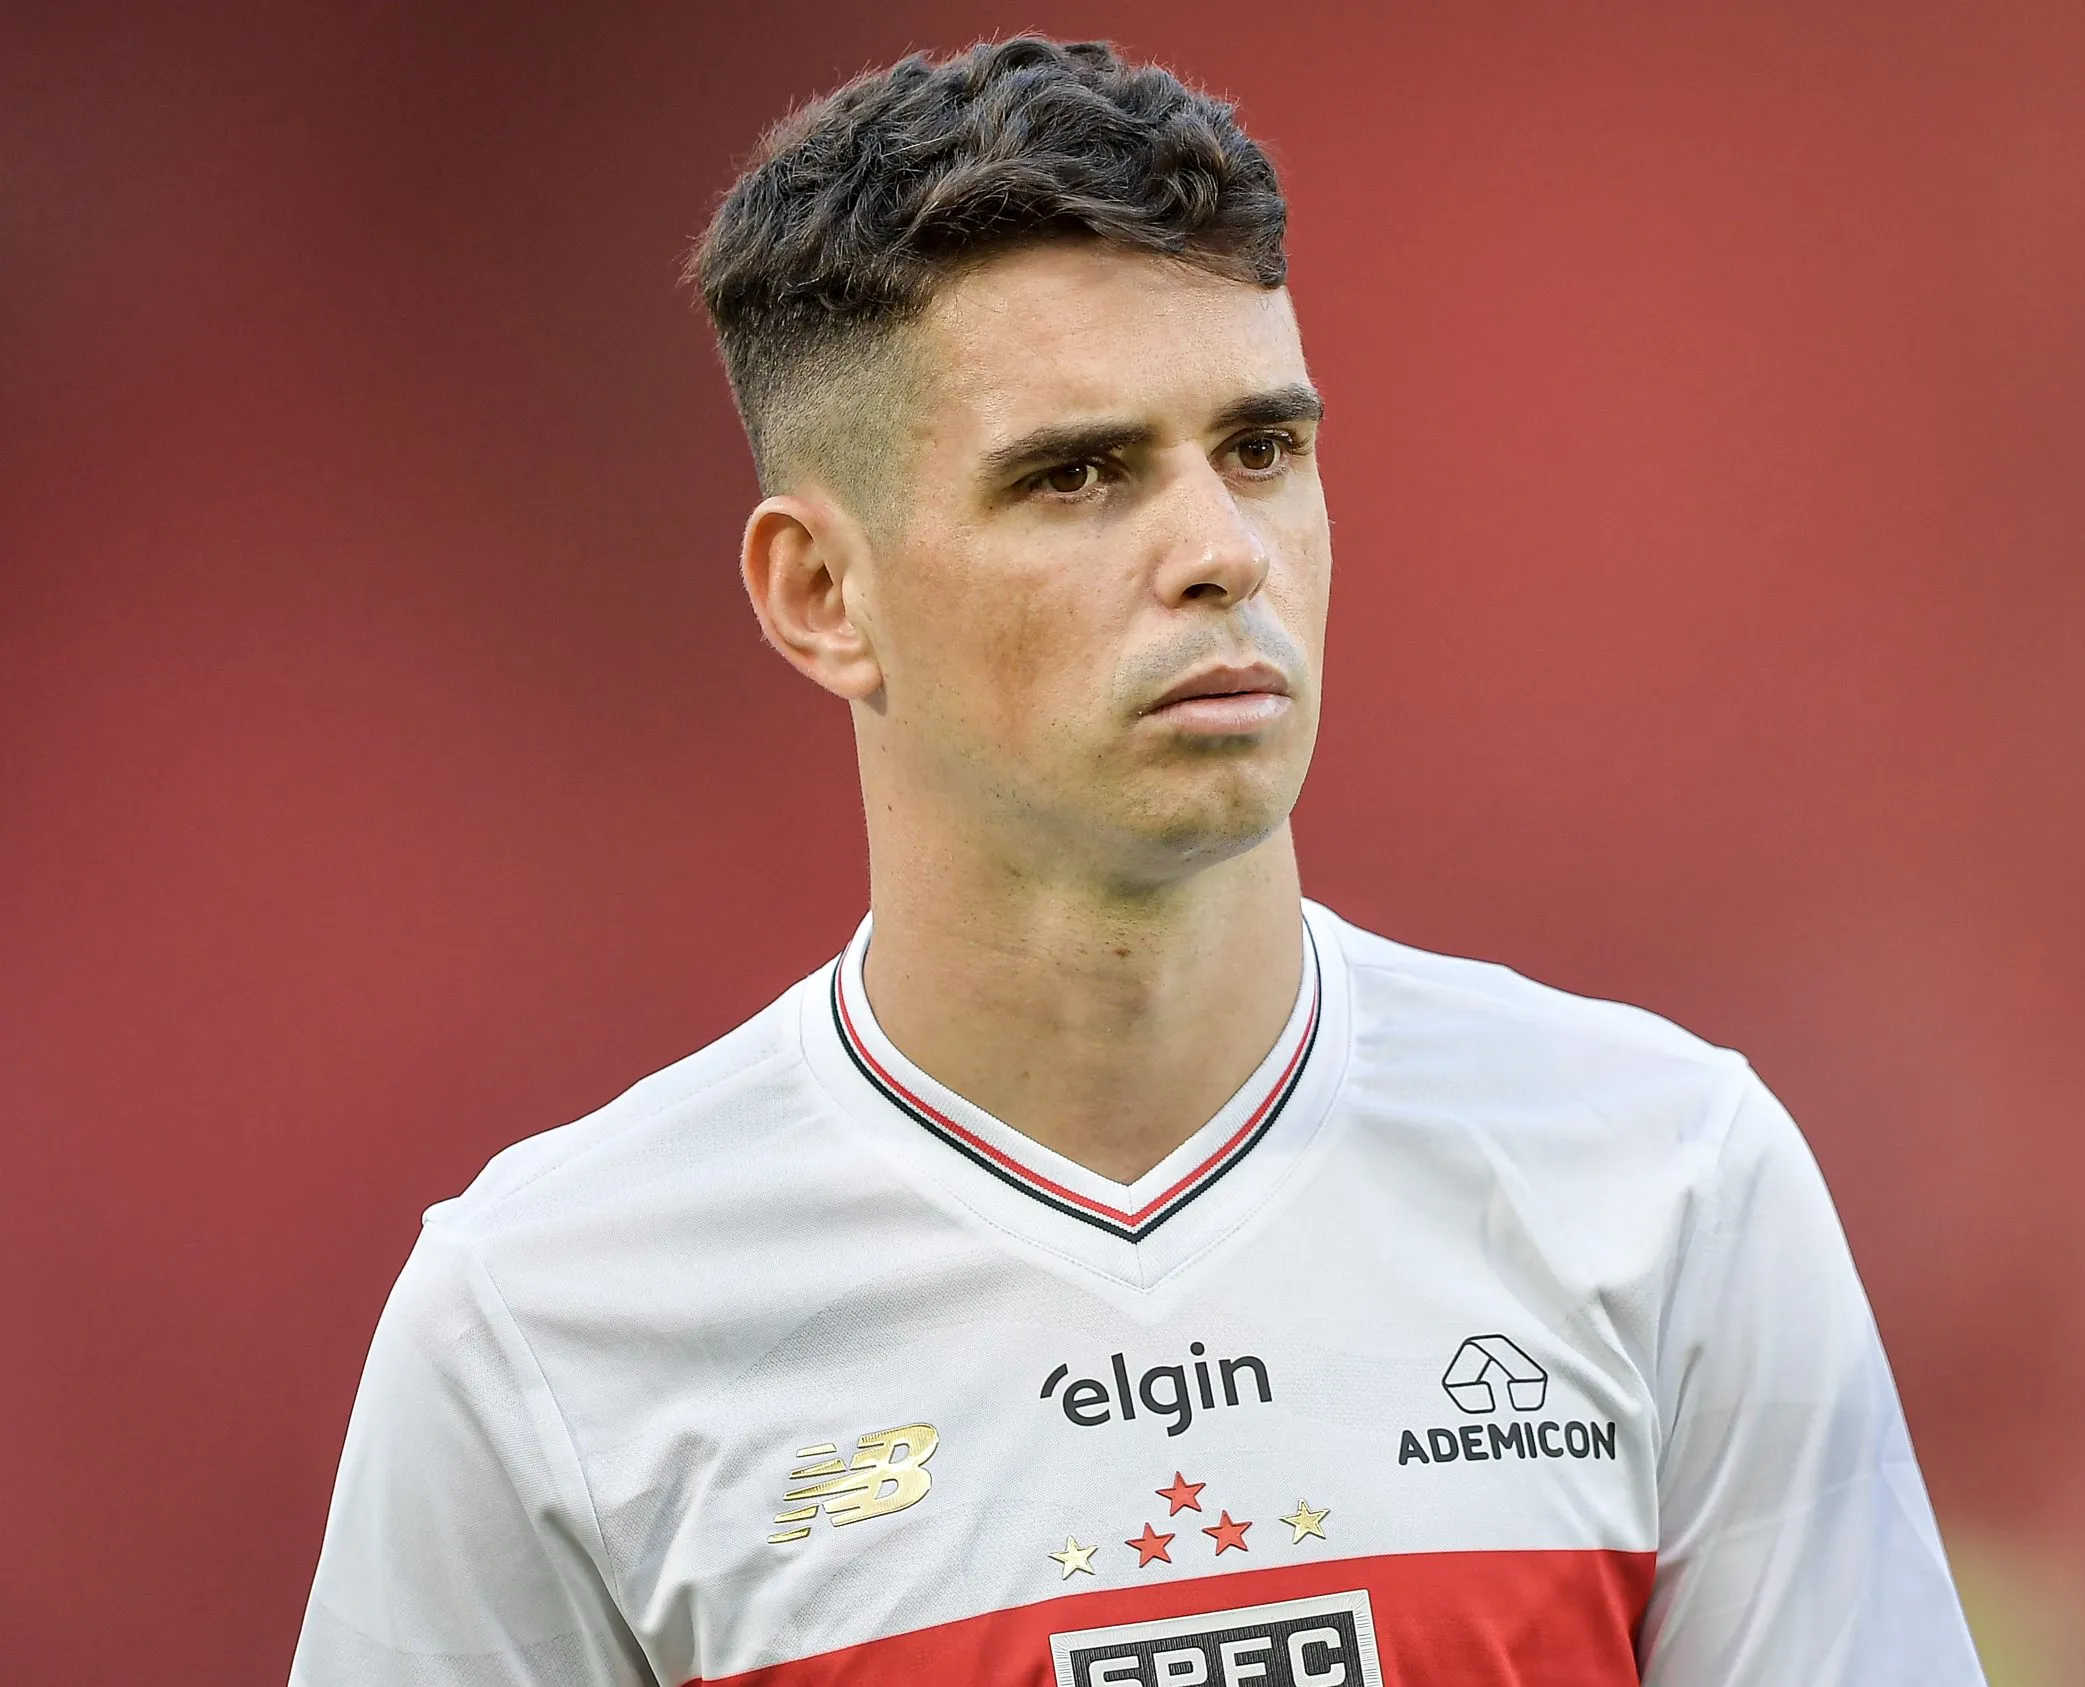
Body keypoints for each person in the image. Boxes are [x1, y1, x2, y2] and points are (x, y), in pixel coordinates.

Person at [291, 36, 1983, 1687]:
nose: (1223, 553)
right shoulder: (544, 1327)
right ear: (823, 594)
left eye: (1260, 447)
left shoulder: (1669, 1183)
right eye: (1079, 474)